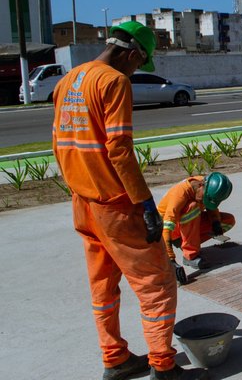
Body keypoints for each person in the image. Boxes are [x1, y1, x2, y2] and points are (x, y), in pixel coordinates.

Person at [52, 21, 206, 380]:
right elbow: (119, 149)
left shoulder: (69, 80)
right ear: (132, 53)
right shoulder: (113, 82)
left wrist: (77, 186)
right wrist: (145, 202)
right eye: (139, 62)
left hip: (83, 203)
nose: (136, 70)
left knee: (103, 286)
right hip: (115, 206)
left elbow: (58, 142)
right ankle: (163, 367)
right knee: (157, 284)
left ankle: (115, 358)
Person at [158, 173, 234, 279]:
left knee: (228, 221)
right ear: (200, 185)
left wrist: (216, 223)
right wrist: (171, 261)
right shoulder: (179, 194)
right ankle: (190, 256)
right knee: (192, 207)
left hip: (186, 224)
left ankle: (186, 243)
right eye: (205, 198)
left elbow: (211, 206)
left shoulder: (206, 186)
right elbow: (166, 227)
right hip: (167, 229)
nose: (204, 201)